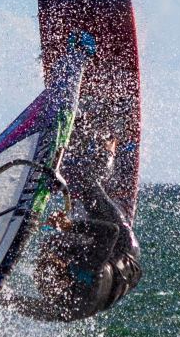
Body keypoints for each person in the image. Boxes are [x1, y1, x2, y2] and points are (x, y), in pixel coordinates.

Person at [13, 131, 141, 322]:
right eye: (47, 263)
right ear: (64, 275)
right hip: (123, 249)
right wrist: (68, 225)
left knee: (53, 243)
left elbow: (27, 307)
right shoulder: (87, 270)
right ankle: (108, 148)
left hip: (109, 279)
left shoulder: (64, 307)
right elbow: (110, 232)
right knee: (88, 184)